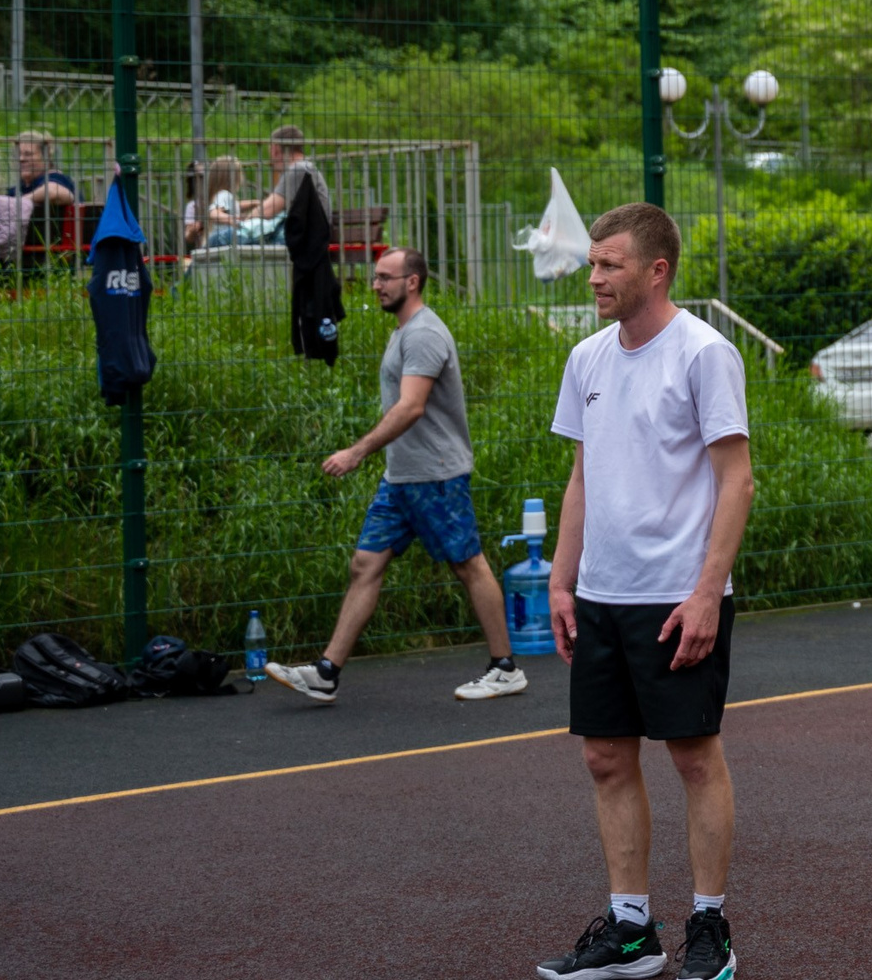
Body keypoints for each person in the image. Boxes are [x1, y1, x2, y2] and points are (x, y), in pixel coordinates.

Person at [539, 203, 754, 980]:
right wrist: (562, 581)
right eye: (593, 263)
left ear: (656, 270)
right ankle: (631, 929)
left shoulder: (704, 353)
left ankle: (710, 925)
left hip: (677, 596)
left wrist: (705, 593)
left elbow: (737, 480)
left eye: (610, 264)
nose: (594, 277)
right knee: (604, 756)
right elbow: (581, 477)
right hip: (601, 594)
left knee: (694, 757)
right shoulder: (587, 358)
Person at [263, 248, 524, 704]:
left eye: (386, 277)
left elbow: (411, 406)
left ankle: (505, 668)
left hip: (435, 476)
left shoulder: (424, 335)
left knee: (468, 564)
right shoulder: (404, 331)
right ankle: (326, 673)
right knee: (365, 564)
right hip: (401, 478)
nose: (375, 284)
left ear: (413, 282)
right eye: (375, 277)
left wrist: (357, 451)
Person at [246, 123, 330, 225]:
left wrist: (242, 223)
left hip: (307, 235)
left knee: (230, 235)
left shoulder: (298, 169)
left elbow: (267, 209)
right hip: (311, 232)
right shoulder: (305, 167)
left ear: (275, 149)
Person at [8, 129, 76, 221]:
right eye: (18, 154)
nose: (21, 159)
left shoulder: (56, 178)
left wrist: (18, 203)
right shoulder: (16, 189)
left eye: (28, 154)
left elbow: (54, 192)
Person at [184, 154, 243, 251]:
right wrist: (236, 221)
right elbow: (214, 213)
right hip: (216, 245)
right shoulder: (224, 195)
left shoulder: (221, 196)